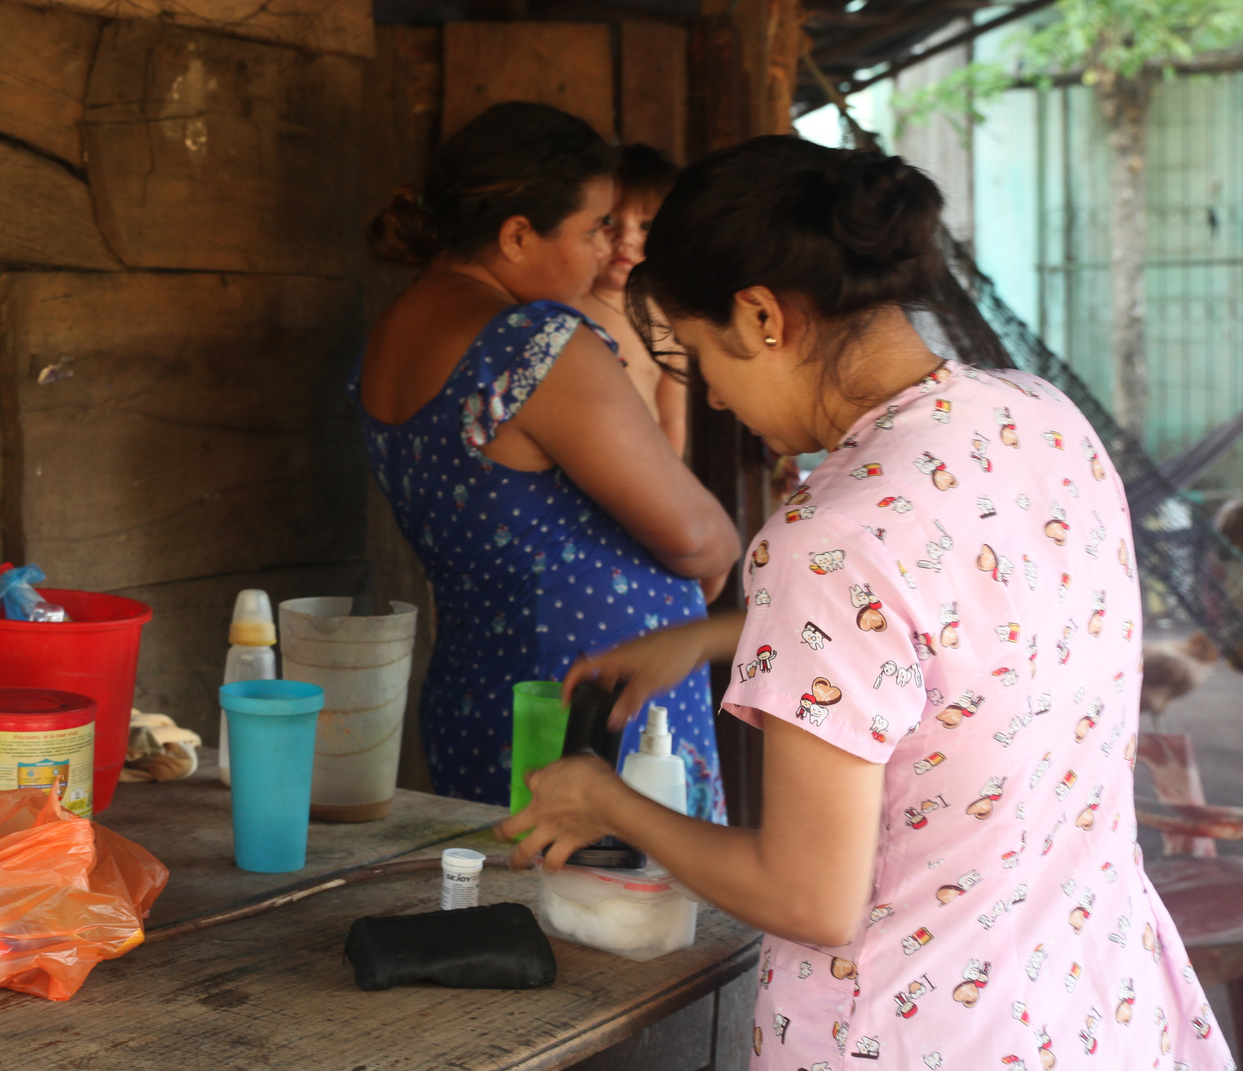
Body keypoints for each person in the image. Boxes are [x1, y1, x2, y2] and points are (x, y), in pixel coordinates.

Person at [504, 135, 1231, 1070]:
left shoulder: (828, 537)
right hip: (1088, 1001)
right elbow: (971, 628)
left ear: (764, 315)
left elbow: (808, 896)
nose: (714, 399)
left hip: (909, 1035)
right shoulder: (1038, 416)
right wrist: (722, 635)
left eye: (696, 353)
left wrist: (609, 799)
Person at [354, 102, 742, 813]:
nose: (605, 250)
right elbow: (698, 539)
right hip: (591, 704)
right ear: (517, 234)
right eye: (596, 226)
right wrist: (718, 548)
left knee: (510, 912)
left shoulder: (392, 334)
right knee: (616, 909)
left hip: (481, 691)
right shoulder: (533, 343)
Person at [582, 144, 688, 454]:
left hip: (639, 476)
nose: (626, 238)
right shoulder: (562, 305)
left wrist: (668, 486)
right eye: (609, 221)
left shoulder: (667, 323)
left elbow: (672, 420)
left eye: (646, 226)